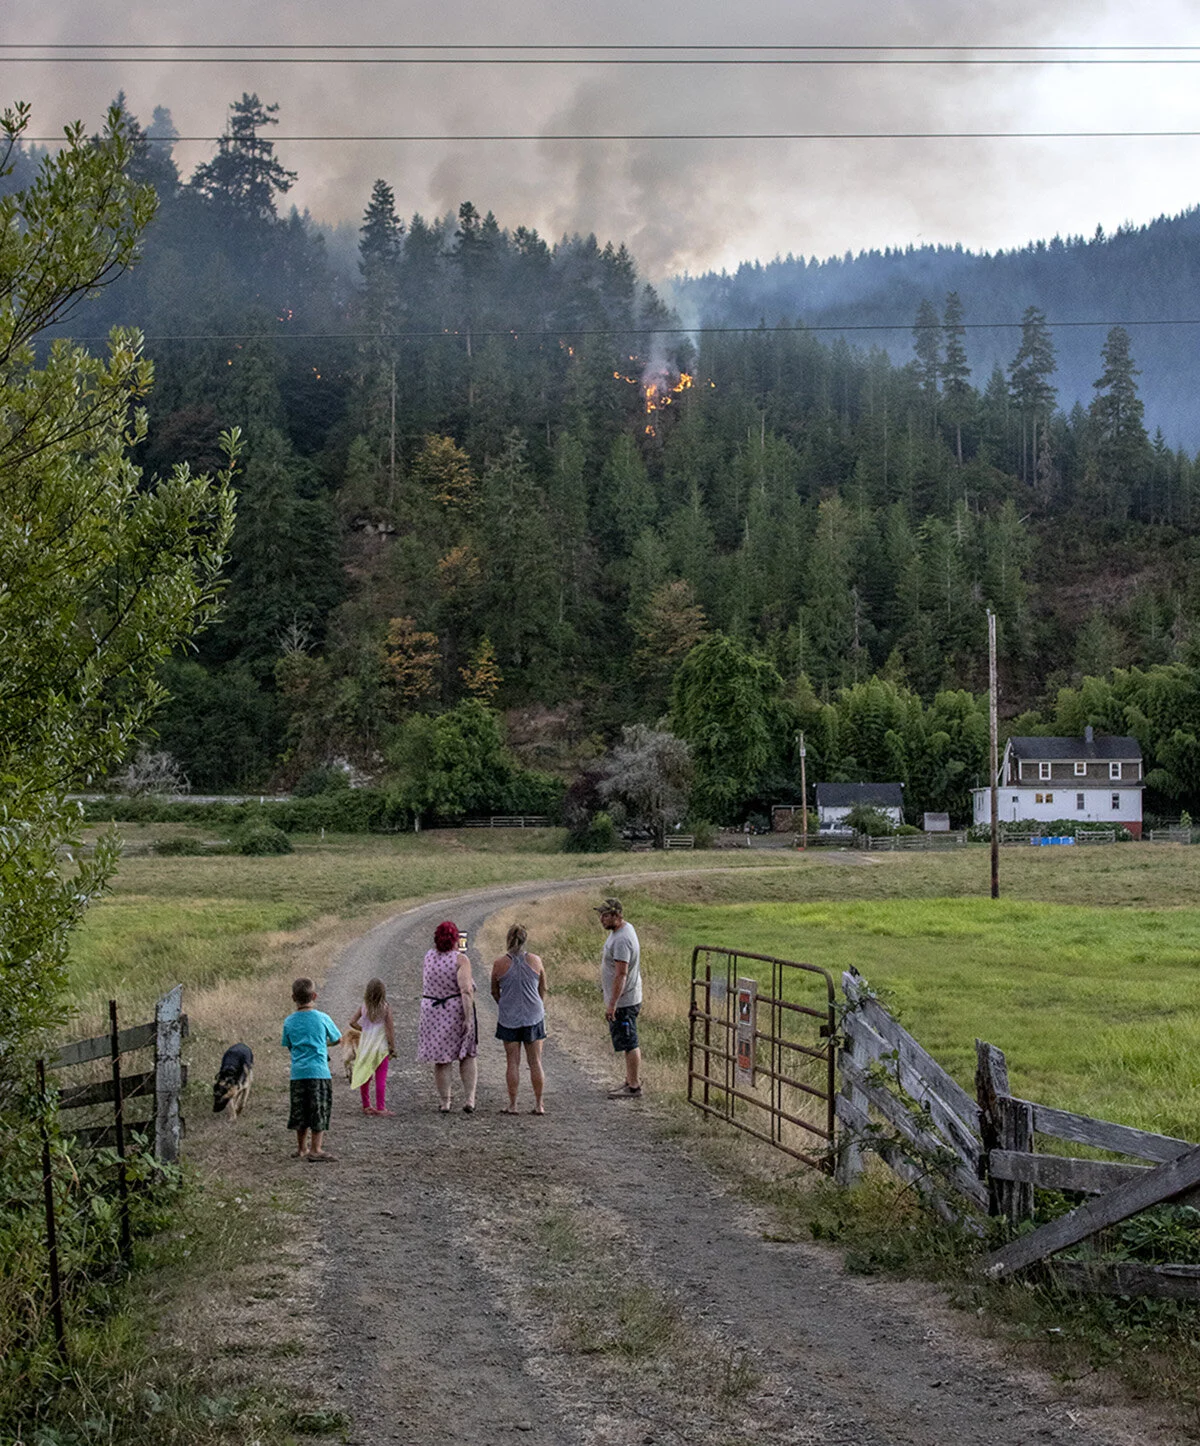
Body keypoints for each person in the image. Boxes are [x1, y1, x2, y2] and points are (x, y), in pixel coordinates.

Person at [417, 919, 478, 1113]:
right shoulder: (460, 960)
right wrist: (468, 1018)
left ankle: (445, 1102)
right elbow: (466, 990)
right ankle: (469, 1099)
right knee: (467, 1054)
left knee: (441, 1059)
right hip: (454, 1009)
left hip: (431, 1011)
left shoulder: (428, 956)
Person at [281, 976, 342, 1160]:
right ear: (314, 995)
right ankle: (316, 1148)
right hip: (319, 1072)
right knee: (319, 1110)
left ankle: (301, 1148)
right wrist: (324, 1045)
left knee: (300, 1110)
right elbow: (337, 1038)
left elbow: (289, 1044)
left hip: (298, 1073)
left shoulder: (289, 1022)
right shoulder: (322, 1018)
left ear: (293, 998)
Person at [490, 923, 547, 1114]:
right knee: (535, 1062)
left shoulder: (499, 964)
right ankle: (538, 1104)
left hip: (509, 1018)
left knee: (512, 1062)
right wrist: (537, 1005)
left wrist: (505, 1004)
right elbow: (543, 988)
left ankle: (513, 1104)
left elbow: (494, 991)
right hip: (533, 1016)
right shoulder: (536, 961)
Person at [595, 897, 642, 1099]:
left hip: (625, 1001)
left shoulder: (622, 939)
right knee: (626, 1040)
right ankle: (630, 1079)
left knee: (630, 1041)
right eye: (601, 915)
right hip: (626, 997)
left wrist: (612, 1004)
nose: (601, 919)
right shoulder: (622, 931)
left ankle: (633, 1085)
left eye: (605, 915)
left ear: (616, 915)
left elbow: (621, 974)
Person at [349, 977, 397, 1116]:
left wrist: (363, 1029)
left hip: (366, 1047)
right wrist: (392, 1046)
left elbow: (352, 1022)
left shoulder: (364, 1006)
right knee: (380, 1078)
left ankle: (366, 1105)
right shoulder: (385, 1008)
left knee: (366, 1076)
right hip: (381, 1048)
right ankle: (381, 1107)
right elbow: (389, 1029)